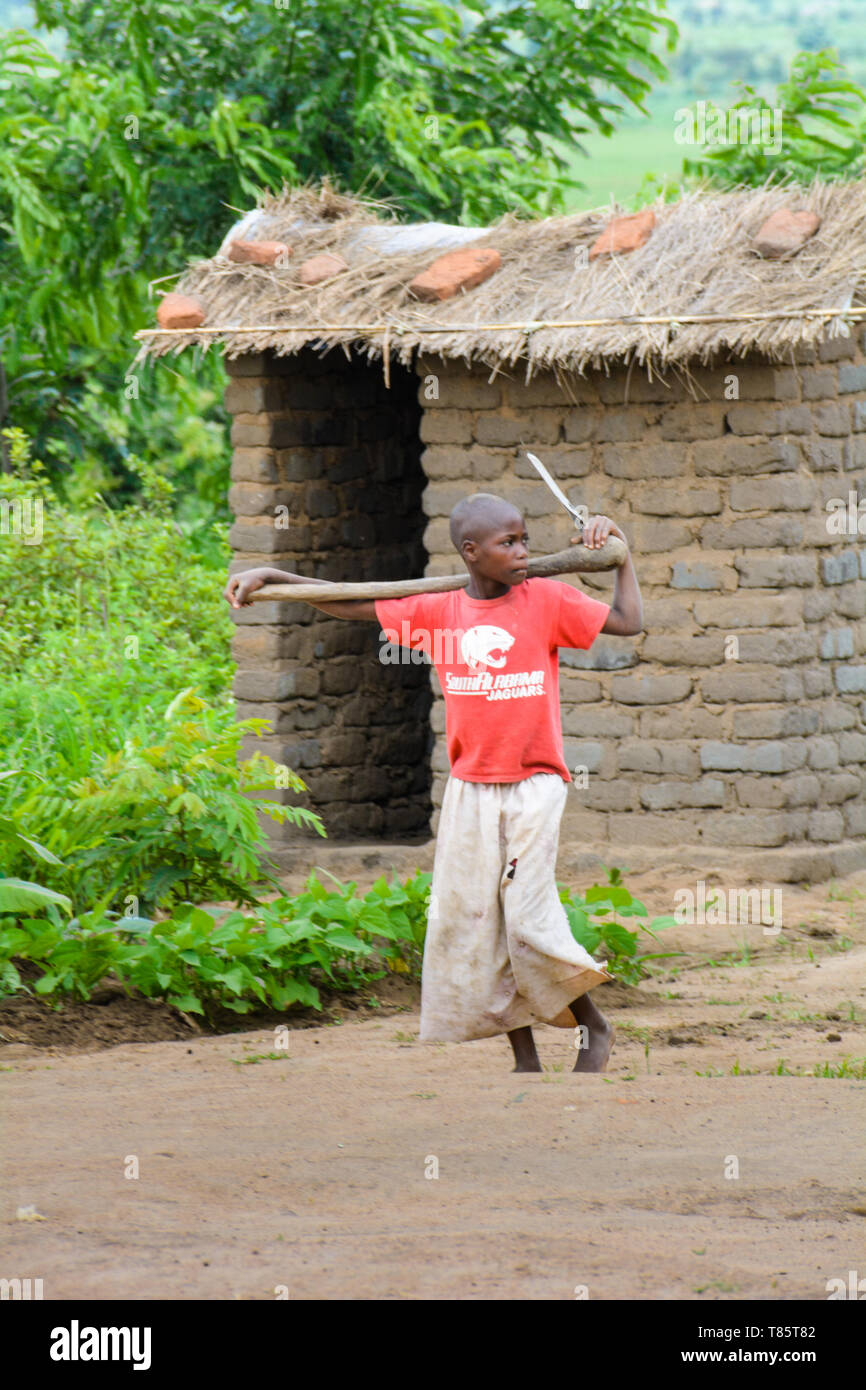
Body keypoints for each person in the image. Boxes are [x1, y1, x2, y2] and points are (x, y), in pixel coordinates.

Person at [225, 491, 643, 1073]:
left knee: (525, 916)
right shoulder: (439, 610)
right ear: (471, 553)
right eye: (509, 543)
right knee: (478, 921)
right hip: (470, 787)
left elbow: (627, 621)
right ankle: (523, 1052)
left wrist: (621, 556)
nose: (523, 551)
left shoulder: (546, 599)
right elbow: (351, 606)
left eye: (525, 540)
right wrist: (274, 575)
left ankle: (592, 1026)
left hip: (534, 784)